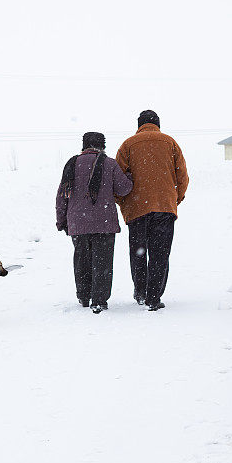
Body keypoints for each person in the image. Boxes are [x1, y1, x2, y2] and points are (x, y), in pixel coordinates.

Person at [115, 110, 189, 311]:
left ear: (139, 125)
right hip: (164, 208)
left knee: (138, 253)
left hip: (137, 209)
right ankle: (154, 297)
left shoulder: (128, 145)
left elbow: (118, 179)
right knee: (160, 254)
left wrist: (123, 202)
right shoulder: (170, 143)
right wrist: (174, 199)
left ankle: (140, 293)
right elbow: (182, 176)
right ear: (158, 124)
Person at [56, 132, 133, 314]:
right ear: (102, 146)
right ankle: (99, 300)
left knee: (82, 259)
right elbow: (124, 189)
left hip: (78, 223)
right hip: (103, 223)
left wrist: (62, 220)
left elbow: (62, 196)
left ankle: (83, 296)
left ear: (84, 146)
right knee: (103, 263)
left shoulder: (72, 164)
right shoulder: (109, 163)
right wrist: (129, 176)